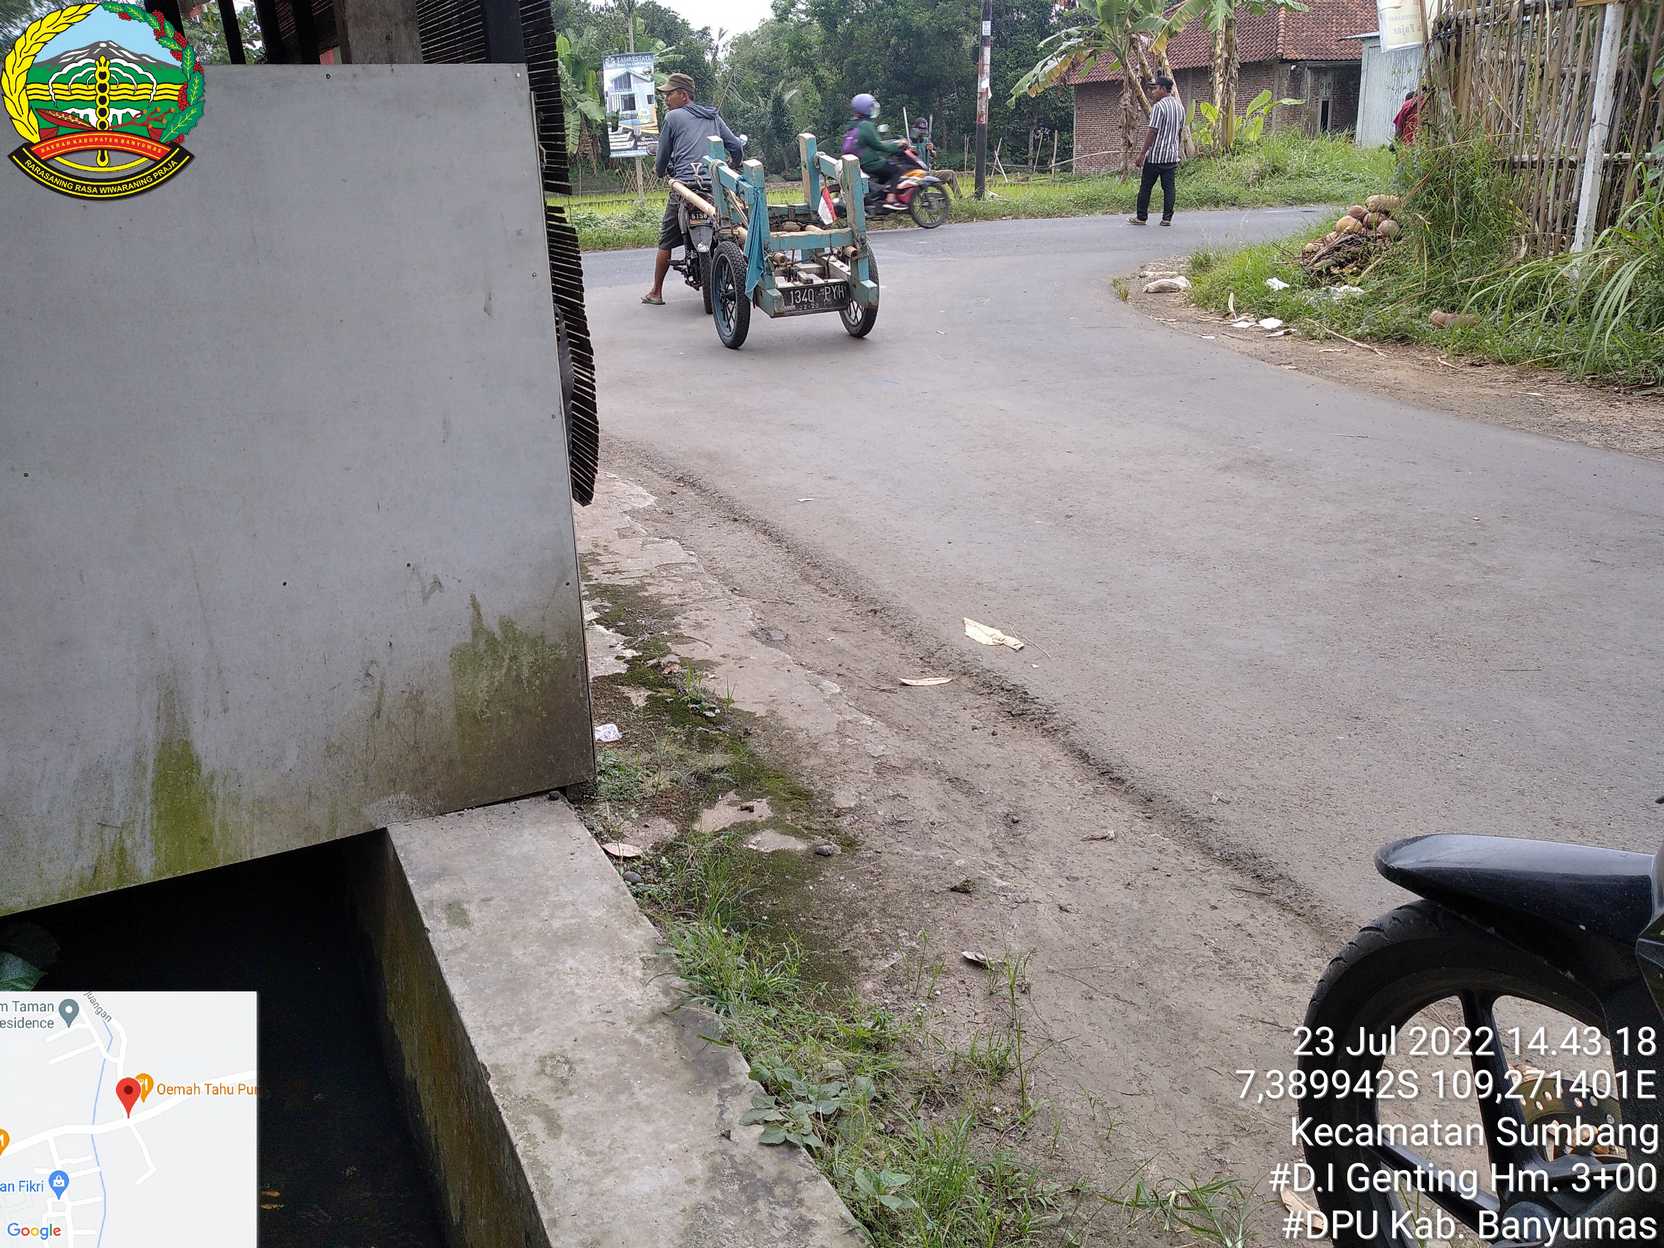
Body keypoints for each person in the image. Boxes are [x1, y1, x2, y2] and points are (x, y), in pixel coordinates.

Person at [642, 72, 744, 306]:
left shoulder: (672, 117)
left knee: (665, 241)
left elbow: (662, 156)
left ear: (683, 95)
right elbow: (736, 146)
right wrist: (733, 165)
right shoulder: (712, 117)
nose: (666, 99)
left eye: (669, 94)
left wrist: (660, 172)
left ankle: (656, 292)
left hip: (684, 188)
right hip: (713, 188)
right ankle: (742, 279)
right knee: (732, 230)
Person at [1129, 75, 1184, 227]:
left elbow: (1152, 131)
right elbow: (1179, 132)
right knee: (1169, 188)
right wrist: (1176, 150)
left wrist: (1142, 154)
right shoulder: (1180, 108)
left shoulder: (1159, 107)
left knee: (1146, 186)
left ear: (1163, 89)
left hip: (1156, 156)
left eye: (1155, 89)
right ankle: (1167, 218)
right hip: (1171, 156)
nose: (1153, 92)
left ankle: (1141, 217)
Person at [850, 94, 907, 202]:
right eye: (871, 107)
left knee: (885, 173)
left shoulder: (853, 124)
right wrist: (897, 145)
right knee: (897, 170)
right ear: (866, 109)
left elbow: (869, 143)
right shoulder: (866, 125)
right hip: (869, 163)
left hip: (857, 162)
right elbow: (879, 146)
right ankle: (891, 198)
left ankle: (878, 198)